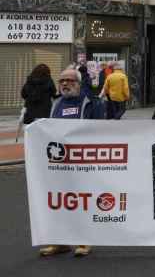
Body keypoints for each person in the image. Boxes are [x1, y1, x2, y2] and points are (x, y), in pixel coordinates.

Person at [38, 68, 105, 258]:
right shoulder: (56, 103)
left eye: (69, 80)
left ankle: (84, 240)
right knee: (59, 202)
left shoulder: (91, 102)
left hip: (83, 164)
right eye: (62, 81)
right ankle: (60, 242)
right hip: (59, 164)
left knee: (82, 202)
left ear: (78, 83)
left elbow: (100, 131)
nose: (65, 84)